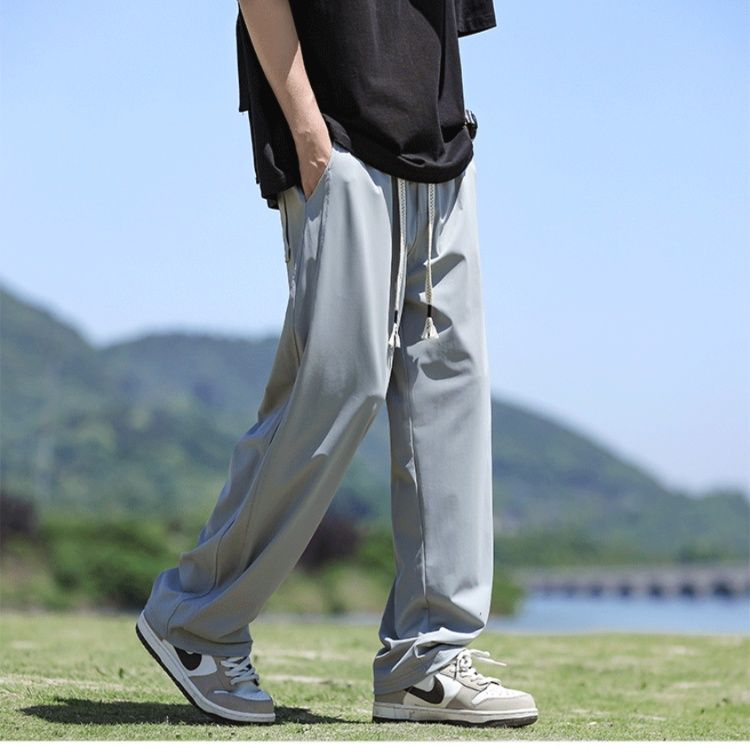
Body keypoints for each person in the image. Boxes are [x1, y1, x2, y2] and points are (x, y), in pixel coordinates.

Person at [135, 0, 538, 728]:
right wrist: (310, 139)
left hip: (441, 145)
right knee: (338, 385)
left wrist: (447, 129)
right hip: (339, 140)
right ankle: (195, 619)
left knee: (452, 393)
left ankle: (426, 662)